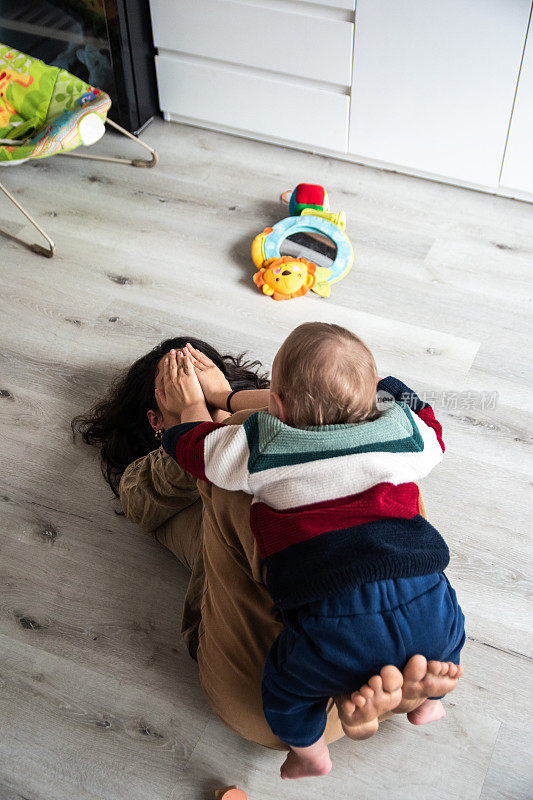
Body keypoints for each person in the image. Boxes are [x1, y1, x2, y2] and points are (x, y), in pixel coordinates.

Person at [156, 322, 466, 780]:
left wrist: (184, 420)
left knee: (287, 689)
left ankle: (310, 751)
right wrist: (392, 391)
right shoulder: (405, 434)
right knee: (450, 632)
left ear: (275, 406)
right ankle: (428, 704)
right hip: (423, 592)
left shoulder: (264, 446)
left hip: (333, 614)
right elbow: (432, 424)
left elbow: (201, 453)